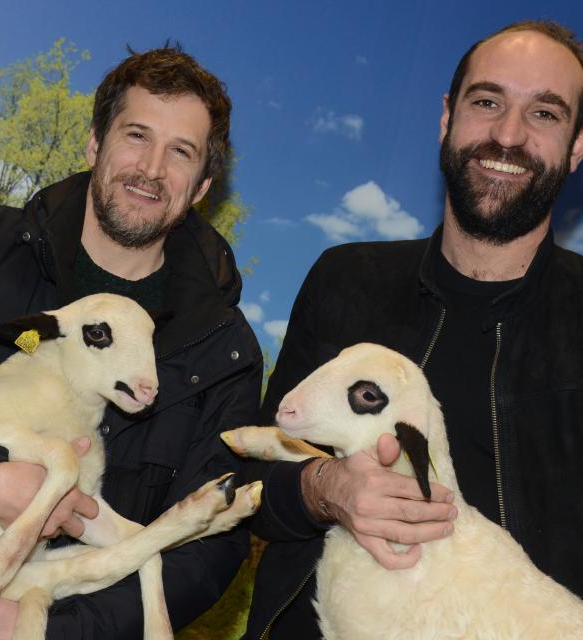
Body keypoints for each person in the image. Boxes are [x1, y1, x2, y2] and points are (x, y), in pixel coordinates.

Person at [244, 19, 583, 639]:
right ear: (446, 118)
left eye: (544, 114)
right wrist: (324, 488)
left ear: (578, 146)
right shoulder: (344, 278)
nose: (508, 135)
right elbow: (249, 482)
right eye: (487, 102)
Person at [0, 44, 262, 638]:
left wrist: (48, 629)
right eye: (136, 135)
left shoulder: (225, 350)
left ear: (201, 187)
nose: (151, 168)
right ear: (95, 142)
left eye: (181, 152)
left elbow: (208, 556)